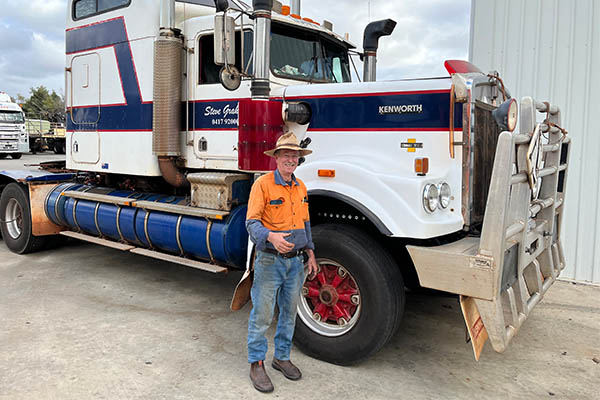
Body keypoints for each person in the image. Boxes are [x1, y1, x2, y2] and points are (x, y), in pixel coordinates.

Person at [245, 132, 318, 393]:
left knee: (289, 313)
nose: (291, 159)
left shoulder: (301, 188)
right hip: (269, 261)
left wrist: (310, 252)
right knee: (263, 314)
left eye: (295, 155)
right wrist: (271, 237)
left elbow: (305, 224)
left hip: (296, 263)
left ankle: (282, 357)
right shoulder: (262, 185)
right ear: (276, 158)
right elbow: (251, 223)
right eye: (286, 154)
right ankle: (256, 363)